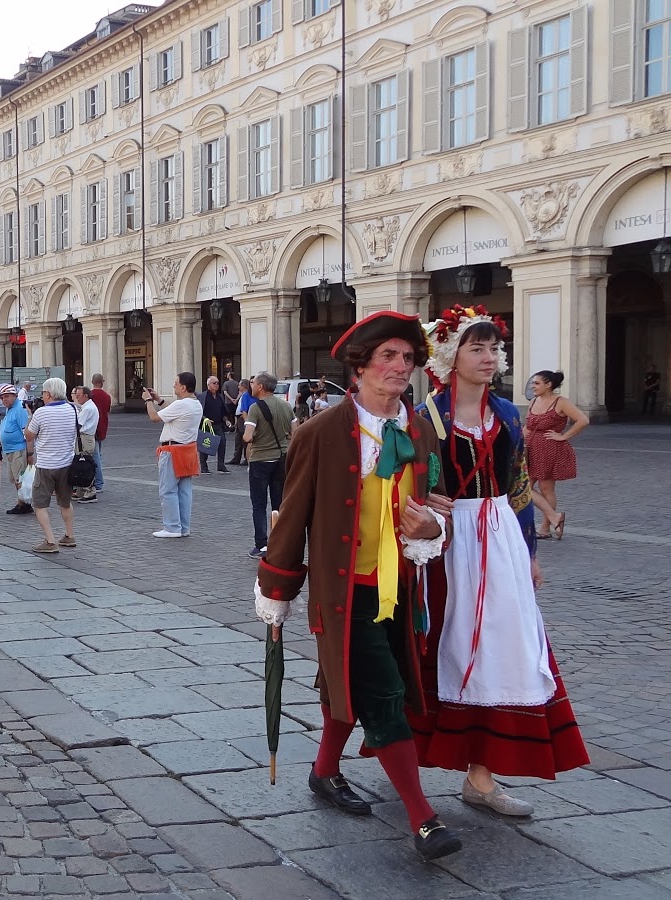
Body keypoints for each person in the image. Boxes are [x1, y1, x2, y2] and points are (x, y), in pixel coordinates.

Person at [254, 310, 460, 862]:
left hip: (401, 588)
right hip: (344, 592)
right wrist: (276, 589)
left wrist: (432, 528)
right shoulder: (320, 431)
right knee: (383, 692)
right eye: (388, 357)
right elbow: (292, 512)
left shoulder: (420, 430)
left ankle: (324, 771)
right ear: (361, 365)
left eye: (408, 358)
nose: (400, 367)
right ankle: (423, 818)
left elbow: (437, 504)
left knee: (349, 684)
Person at [410, 304, 589, 819]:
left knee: (505, 647)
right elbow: (403, 484)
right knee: (442, 644)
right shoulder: (426, 418)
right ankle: (411, 763)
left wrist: (527, 552)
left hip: (500, 538)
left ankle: (482, 776)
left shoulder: (509, 414)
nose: (489, 357)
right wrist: (423, 502)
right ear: (449, 354)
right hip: (446, 545)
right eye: (476, 347)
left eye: (494, 348)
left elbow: (516, 489)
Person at [525, 371, 587, 540]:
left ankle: (545, 528)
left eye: (536, 383)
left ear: (548, 385)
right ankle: (554, 516)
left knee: (546, 488)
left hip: (550, 450)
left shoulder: (561, 402)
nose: (533, 386)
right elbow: (528, 428)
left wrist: (563, 436)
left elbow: (583, 420)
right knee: (523, 486)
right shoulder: (533, 402)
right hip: (531, 449)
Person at [24, 378, 79, 553]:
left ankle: (50, 540)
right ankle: (69, 535)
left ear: (48, 394)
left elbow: (29, 436)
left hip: (46, 464)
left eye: (43, 393)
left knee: (40, 503)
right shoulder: (73, 409)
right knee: (65, 502)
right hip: (67, 463)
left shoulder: (41, 413)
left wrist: (30, 416)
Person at [143, 372, 200, 539]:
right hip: (187, 450)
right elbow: (171, 411)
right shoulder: (194, 404)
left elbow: (154, 417)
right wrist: (159, 400)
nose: (174, 386)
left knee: (168, 490)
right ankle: (183, 526)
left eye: (176, 383)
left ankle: (172, 527)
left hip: (172, 450)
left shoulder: (181, 405)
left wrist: (148, 401)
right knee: (184, 491)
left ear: (183, 387)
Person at [244, 372, 292, 559]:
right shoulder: (286, 406)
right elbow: (294, 432)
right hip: (281, 458)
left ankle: (261, 544)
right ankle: (281, 541)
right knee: (279, 502)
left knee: (259, 503)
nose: (252, 385)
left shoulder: (256, 408)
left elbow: (247, 436)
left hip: (260, 460)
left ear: (261, 387)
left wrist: (253, 437)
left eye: (254, 383)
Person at [0, 383, 32, 515]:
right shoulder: (10, 409)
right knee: (16, 478)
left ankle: (23, 504)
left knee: (20, 478)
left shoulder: (19, 409)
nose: (4, 400)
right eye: (2, 397)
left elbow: (26, 433)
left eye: (7, 396)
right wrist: (3, 440)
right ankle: (22, 502)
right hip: (10, 449)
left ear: (14, 396)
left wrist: (30, 453)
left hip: (19, 449)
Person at [69, 385, 98, 502]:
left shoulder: (87, 408)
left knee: (85, 464)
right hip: (84, 437)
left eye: (78, 396)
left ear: (85, 395)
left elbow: (78, 424)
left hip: (85, 438)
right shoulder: (86, 406)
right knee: (80, 464)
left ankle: (90, 491)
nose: (77, 398)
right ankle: (81, 491)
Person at [199, 375, 230, 475]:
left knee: (222, 443)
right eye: (214, 383)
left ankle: (221, 465)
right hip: (206, 426)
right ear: (208, 385)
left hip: (218, 424)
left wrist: (226, 420)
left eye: (217, 383)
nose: (216, 385)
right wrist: (205, 419)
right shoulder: (203, 396)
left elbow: (223, 411)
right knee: (205, 445)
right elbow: (198, 411)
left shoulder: (220, 396)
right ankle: (203, 466)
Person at [89, 373, 111, 494]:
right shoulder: (107, 396)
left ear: (92, 381)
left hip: (92, 429)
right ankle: (96, 480)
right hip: (102, 427)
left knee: (95, 456)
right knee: (98, 455)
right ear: (102, 382)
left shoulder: (90, 395)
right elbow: (107, 410)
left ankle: (98, 482)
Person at [228, 379, 253, 467]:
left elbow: (244, 409)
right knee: (238, 438)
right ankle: (236, 458)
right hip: (239, 418)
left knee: (245, 438)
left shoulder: (247, 395)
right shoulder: (243, 395)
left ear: (244, 386)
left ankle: (247, 458)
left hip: (243, 418)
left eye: (240, 385)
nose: (238, 387)